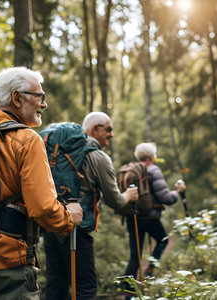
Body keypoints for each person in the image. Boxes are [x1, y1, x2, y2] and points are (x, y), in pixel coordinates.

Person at [0, 67, 83, 299]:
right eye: (39, 96)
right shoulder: (26, 140)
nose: (44, 104)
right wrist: (68, 218)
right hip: (7, 262)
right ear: (17, 97)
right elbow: (43, 208)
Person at [43, 111, 139, 300]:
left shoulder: (58, 152)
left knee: (55, 286)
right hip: (77, 231)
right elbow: (116, 202)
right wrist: (128, 195)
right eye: (109, 130)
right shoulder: (98, 157)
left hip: (51, 226)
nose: (111, 134)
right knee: (85, 288)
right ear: (96, 129)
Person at [124, 142, 186, 280]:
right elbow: (166, 198)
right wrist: (178, 192)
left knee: (135, 256)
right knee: (163, 240)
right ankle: (149, 270)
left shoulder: (131, 170)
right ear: (152, 156)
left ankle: (127, 293)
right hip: (149, 217)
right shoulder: (153, 170)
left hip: (132, 217)